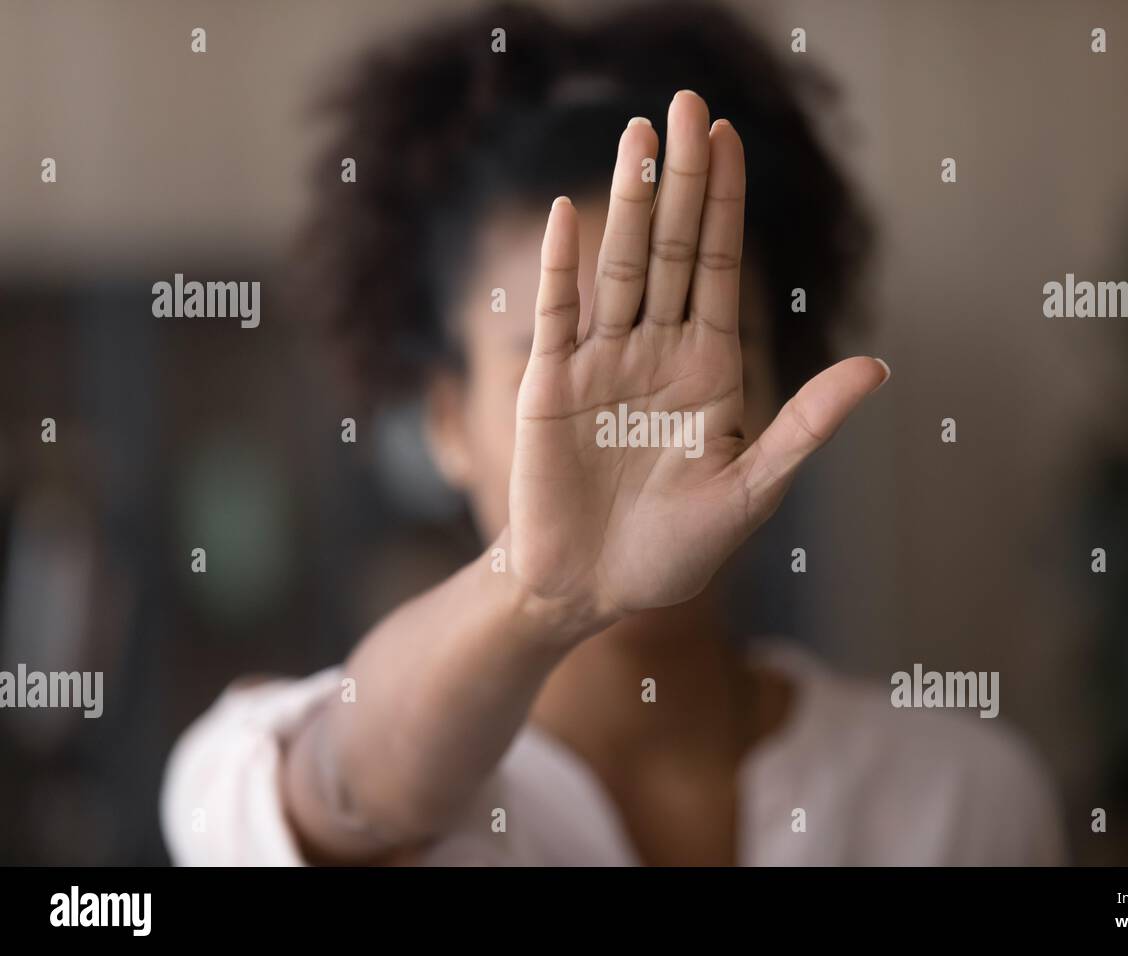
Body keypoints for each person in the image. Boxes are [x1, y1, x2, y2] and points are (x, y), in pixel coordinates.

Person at [161, 2, 1064, 866]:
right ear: (446, 421)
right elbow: (341, 790)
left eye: (686, 343)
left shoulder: (962, 801)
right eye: (554, 356)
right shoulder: (255, 761)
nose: (633, 415)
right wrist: (537, 595)